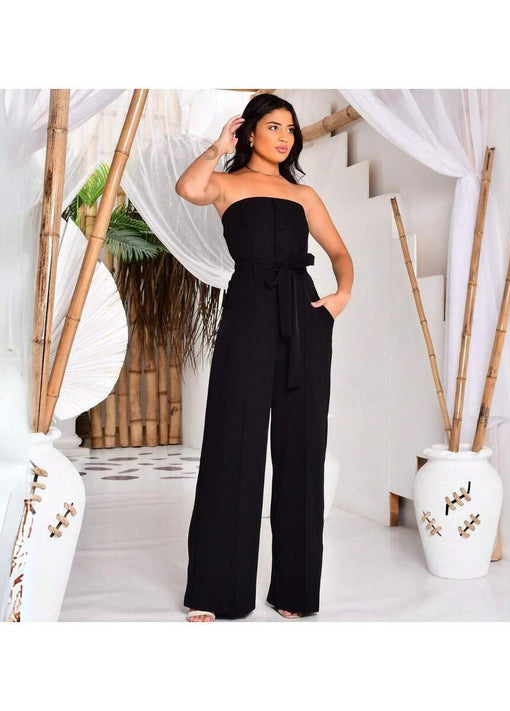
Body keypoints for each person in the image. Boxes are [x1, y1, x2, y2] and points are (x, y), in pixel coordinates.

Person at [175, 94, 353, 621]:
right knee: (232, 444)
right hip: (248, 313)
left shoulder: (303, 194)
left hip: (304, 317)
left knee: (302, 448)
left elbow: (339, 252)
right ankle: (216, 591)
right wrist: (216, 146)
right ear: (249, 132)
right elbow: (188, 188)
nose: (284, 137)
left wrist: (340, 297)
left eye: (290, 129)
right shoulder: (225, 184)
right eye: (273, 127)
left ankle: (294, 591)